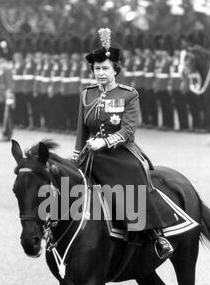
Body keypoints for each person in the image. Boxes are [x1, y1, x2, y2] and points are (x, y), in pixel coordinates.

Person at [73, 28, 176, 260]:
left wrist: (105, 142)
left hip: (120, 152)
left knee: (134, 175)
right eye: (97, 69)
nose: (100, 73)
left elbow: (128, 130)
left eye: (105, 68)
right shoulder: (86, 94)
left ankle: (155, 235)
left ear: (115, 70)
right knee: (67, 180)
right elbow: (81, 130)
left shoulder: (129, 95)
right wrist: (76, 155)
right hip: (91, 153)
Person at [0, 38, 15, 142]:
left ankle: (7, 134)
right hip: (0, 95)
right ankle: (5, 133)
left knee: (6, 116)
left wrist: (10, 96)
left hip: (5, 95)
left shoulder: (7, 69)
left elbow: (10, 84)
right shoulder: (1, 69)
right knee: (2, 115)